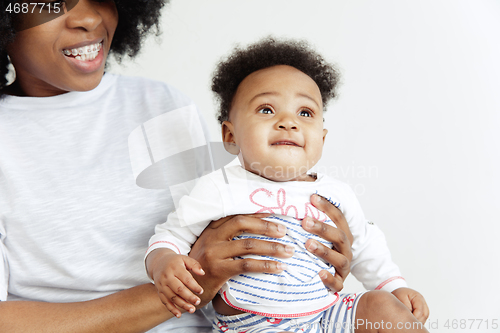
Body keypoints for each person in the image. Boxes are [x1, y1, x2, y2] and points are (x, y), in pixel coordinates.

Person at [0, 1, 354, 332]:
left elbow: (232, 227)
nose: (89, 19)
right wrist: (185, 288)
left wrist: (316, 253)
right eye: (51, 2)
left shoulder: (160, 103)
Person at [145, 38, 430, 333]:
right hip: (249, 323)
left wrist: (395, 287)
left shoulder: (335, 194)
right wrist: (163, 261)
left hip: (325, 314)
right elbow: (171, 235)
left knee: (382, 307)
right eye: (267, 110)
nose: (288, 122)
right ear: (230, 136)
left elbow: (366, 243)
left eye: (304, 113)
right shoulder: (220, 187)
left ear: (322, 138)